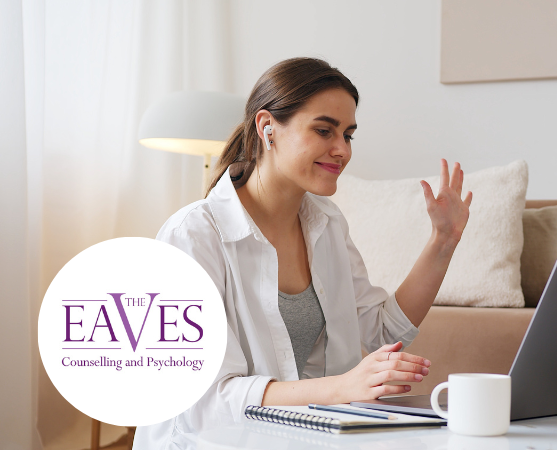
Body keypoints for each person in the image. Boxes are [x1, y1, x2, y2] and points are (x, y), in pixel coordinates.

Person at [133, 57, 472, 449]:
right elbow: (206, 401)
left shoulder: (327, 223)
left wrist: (443, 241)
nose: (341, 150)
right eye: (324, 130)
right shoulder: (191, 237)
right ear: (267, 128)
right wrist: (344, 387)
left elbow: (382, 330)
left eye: (348, 135)